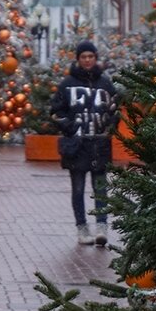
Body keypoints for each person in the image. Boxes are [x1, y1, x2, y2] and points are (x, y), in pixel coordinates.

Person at [50, 40, 118, 246]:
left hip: (99, 144)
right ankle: (82, 228)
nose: (87, 60)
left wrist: (109, 125)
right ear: (78, 60)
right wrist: (69, 127)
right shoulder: (67, 84)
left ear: (96, 58)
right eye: (83, 57)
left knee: (101, 188)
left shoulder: (105, 84)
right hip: (77, 145)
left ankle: (101, 227)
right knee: (78, 189)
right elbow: (55, 111)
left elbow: (115, 109)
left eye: (91, 56)